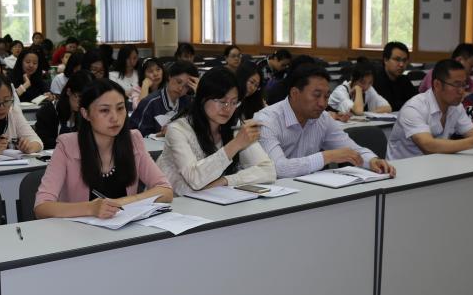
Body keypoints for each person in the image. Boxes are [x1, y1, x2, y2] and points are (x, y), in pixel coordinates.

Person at [34, 79, 173, 219]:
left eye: (120, 108)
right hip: (77, 230)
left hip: (123, 228)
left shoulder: (133, 139)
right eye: (104, 110)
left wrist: (121, 202)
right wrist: (91, 208)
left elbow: (165, 190)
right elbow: (42, 207)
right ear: (85, 113)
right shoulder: (67, 145)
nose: (115, 118)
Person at [255, 64, 395, 178]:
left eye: (326, 96)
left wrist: (372, 160)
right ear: (295, 93)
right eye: (316, 95)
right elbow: (279, 169)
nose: (322, 104)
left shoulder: (323, 118)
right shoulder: (266, 120)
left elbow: (351, 149)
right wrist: (327, 156)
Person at [157, 68, 275, 195]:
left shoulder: (234, 127)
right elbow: (195, 180)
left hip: (211, 201)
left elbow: (268, 171)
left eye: (234, 102)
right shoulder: (178, 130)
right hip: (171, 201)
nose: (228, 109)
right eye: (222, 101)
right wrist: (235, 144)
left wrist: (225, 181)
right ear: (203, 98)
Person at [387, 60, 473, 160]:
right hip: (403, 170)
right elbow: (428, 146)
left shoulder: (456, 106)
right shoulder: (414, 108)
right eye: (456, 85)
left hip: (436, 164)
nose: (461, 91)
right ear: (437, 85)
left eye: (464, 85)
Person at [130, 61, 198, 137]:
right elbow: (135, 135)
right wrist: (159, 135)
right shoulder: (150, 102)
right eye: (178, 82)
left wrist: (199, 92)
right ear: (169, 76)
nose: (180, 88)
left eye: (187, 86)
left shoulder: (188, 101)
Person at [36, 70, 94, 149]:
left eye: (87, 99)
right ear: (69, 92)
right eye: (80, 97)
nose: (83, 102)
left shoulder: (87, 112)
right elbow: (44, 143)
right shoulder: (48, 111)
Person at [373, 41, 418, 111]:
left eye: (404, 60)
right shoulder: (375, 80)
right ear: (386, 60)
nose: (401, 64)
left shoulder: (404, 79)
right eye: (397, 59)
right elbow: (388, 105)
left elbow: (417, 101)